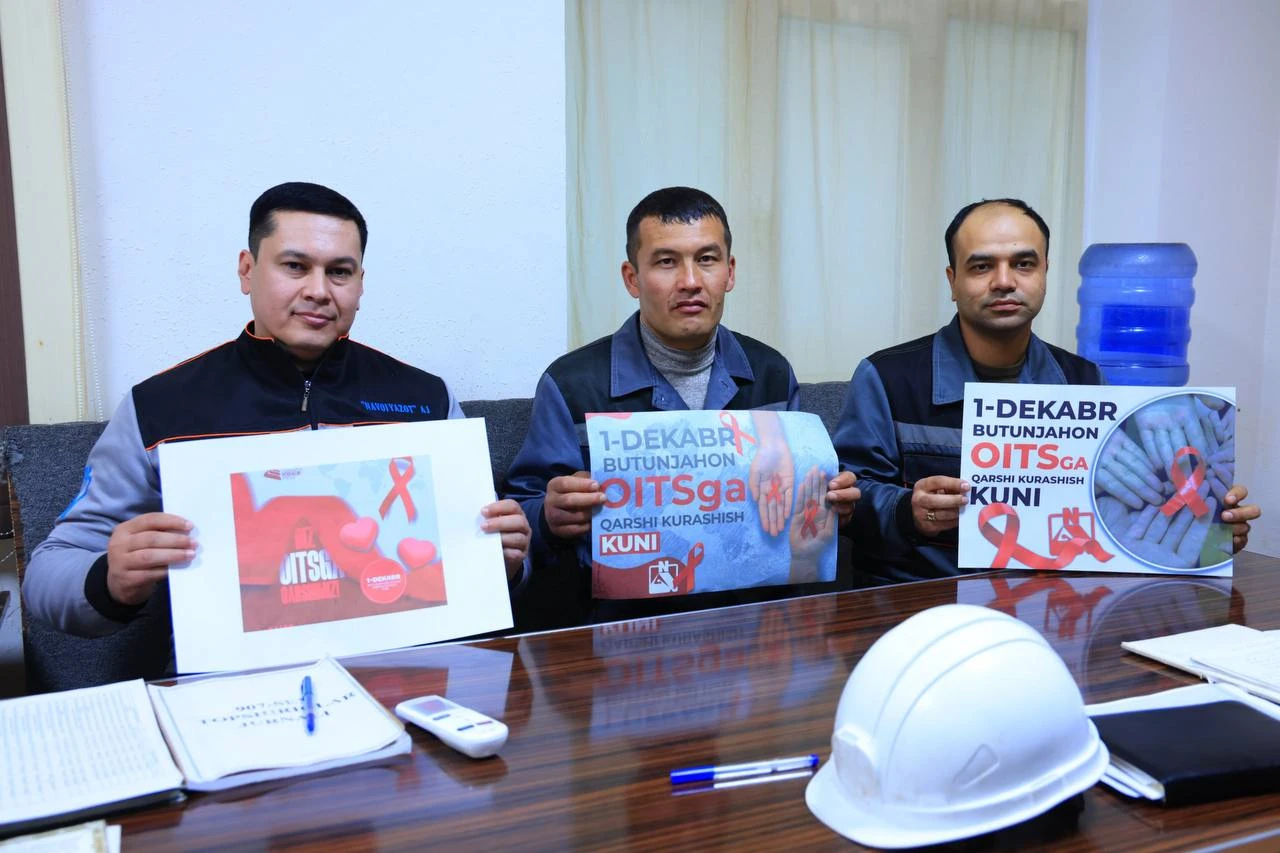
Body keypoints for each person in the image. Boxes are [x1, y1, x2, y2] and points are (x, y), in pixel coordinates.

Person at [23, 181, 530, 637]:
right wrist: (110, 579)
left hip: (412, 667)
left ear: (360, 284)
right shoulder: (160, 407)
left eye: (339, 272)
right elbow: (49, 570)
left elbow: (489, 559)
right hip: (234, 682)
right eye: (295, 266)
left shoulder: (427, 399)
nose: (318, 291)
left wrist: (505, 562)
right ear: (247, 270)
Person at [833, 198, 1260, 584]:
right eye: (981, 267)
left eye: (1023, 264)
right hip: (920, 601)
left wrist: (1210, 528)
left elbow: (1127, 507)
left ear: (1044, 273)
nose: (1004, 281)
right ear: (953, 280)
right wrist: (906, 511)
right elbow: (845, 500)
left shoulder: (1086, 380)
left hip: (1054, 604)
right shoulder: (886, 376)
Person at [504, 186, 859, 627]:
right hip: (619, 625)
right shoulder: (571, 383)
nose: (690, 281)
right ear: (632, 278)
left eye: (706, 259)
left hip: (753, 619)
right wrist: (548, 516)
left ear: (729, 272)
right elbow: (519, 515)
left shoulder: (770, 372)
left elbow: (796, 509)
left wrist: (831, 504)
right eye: (666, 262)